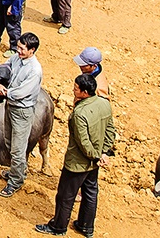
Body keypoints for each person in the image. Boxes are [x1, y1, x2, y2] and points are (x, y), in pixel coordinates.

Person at [34, 73, 115, 236]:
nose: (73, 90)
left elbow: (83, 143)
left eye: (76, 88)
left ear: (84, 92)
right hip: (94, 162)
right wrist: (103, 153)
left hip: (78, 163)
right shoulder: (104, 104)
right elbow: (110, 132)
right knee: (91, 193)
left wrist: (96, 155)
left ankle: (58, 227)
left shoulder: (79, 113)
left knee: (65, 196)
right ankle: (86, 226)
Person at [0, 32, 42, 197]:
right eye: (18, 47)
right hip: (10, 106)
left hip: (22, 111)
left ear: (32, 50)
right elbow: (4, 69)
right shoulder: (16, 58)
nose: (18, 50)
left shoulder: (35, 70)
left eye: (22, 48)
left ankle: (15, 181)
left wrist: (4, 92)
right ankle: (17, 171)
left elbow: (22, 92)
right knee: (9, 141)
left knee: (18, 149)